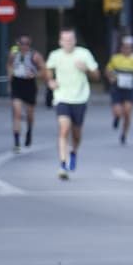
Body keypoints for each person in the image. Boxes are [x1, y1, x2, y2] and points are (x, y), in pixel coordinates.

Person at [44, 29, 99, 180]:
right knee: (64, 129)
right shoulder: (55, 55)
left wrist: (86, 69)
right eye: (65, 40)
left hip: (80, 98)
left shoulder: (84, 54)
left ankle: (73, 152)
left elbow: (96, 75)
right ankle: (62, 164)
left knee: (76, 133)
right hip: (62, 97)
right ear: (60, 42)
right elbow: (48, 69)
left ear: (75, 41)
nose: (68, 42)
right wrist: (50, 81)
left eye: (70, 40)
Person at [105, 36, 133, 146]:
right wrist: (111, 77)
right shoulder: (116, 58)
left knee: (127, 112)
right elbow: (108, 70)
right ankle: (117, 118)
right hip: (117, 88)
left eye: (129, 48)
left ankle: (124, 134)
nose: (126, 50)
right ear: (121, 48)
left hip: (130, 89)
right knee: (118, 111)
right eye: (125, 47)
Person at [9, 34, 43, 153]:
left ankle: (29, 131)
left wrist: (34, 75)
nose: (24, 46)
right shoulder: (14, 54)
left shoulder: (35, 56)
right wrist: (10, 74)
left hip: (29, 84)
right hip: (17, 83)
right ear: (18, 44)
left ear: (30, 44)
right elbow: (9, 65)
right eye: (21, 44)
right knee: (17, 113)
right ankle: (17, 142)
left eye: (26, 44)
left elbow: (43, 70)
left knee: (29, 114)